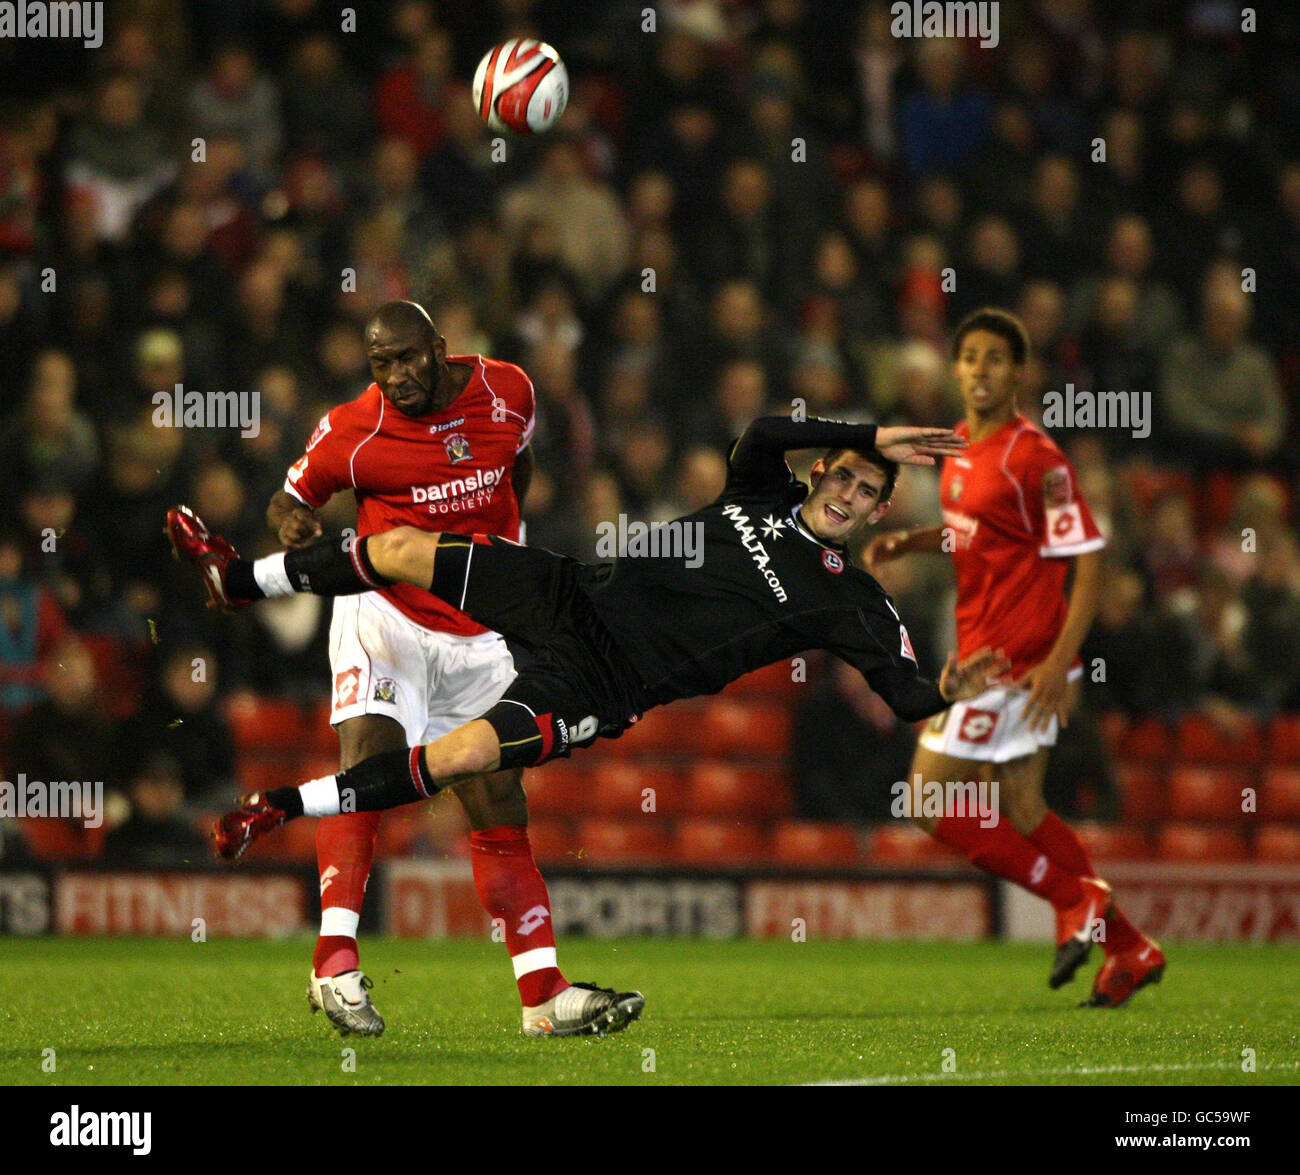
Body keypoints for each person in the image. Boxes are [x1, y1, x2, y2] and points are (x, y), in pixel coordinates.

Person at [169, 412, 1007, 900]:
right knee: (400, 547)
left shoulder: (852, 599)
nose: (849, 497)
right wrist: (874, 432)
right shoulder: (763, 489)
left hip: (603, 681)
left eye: (867, 493)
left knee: (463, 755)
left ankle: (275, 805)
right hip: (572, 590)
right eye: (844, 477)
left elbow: (906, 697)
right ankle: (236, 579)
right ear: (821, 471)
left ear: (876, 511)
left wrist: (954, 688)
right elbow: (762, 431)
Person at [258, 299, 625, 1041]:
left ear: (441, 348)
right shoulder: (351, 430)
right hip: (384, 614)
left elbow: (517, 462)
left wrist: (504, 540)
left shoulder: (509, 391)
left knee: (497, 796)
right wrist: (294, 524)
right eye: (380, 364)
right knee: (366, 762)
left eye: (407, 358)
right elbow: (290, 499)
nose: (395, 376)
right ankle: (333, 963)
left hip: (480, 630)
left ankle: (541, 995)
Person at [865, 307, 1164, 1009]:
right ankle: (1128, 947)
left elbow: (1088, 561)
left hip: (1017, 662)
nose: (978, 369)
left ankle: (1075, 896)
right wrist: (906, 544)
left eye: (994, 358)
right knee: (1024, 808)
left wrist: (1060, 664)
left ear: (1018, 372)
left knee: (927, 797)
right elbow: (976, 531)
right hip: (985, 652)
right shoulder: (964, 443)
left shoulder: (1040, 458)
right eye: (968, 356)